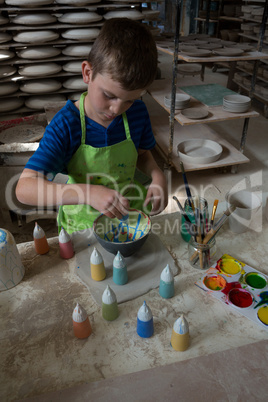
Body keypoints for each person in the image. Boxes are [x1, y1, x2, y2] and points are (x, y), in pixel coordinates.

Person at [16, 18, 168, 234]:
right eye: (109, 95)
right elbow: (25, 189)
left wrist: (156, 174)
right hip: (83, 229)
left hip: (129, 218)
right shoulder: (67, 125)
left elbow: (143, 154)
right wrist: (87, 193)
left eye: (129, 100)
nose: (117, 109)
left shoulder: (137, 113)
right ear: (87, 73)